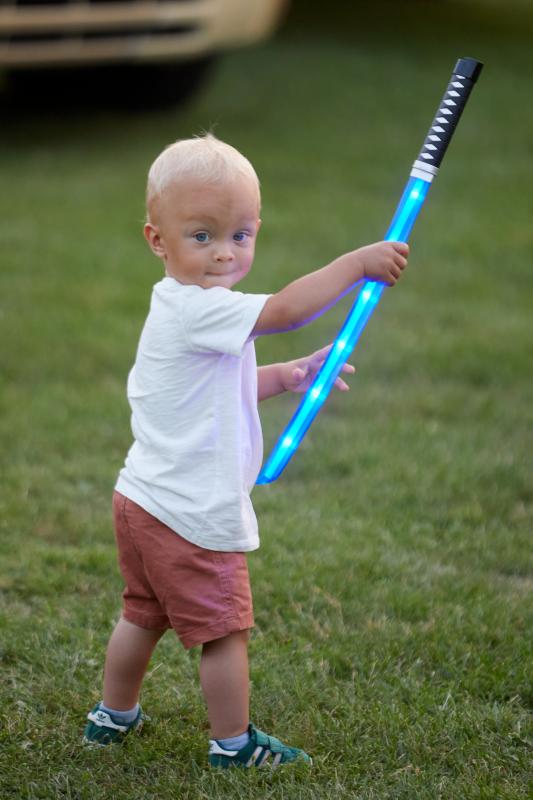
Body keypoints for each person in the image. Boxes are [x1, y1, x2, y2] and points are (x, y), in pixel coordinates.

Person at [82, 134, 409, 767]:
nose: (224, 252)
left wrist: (287, 376)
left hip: (142, 501)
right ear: (158, 239)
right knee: (225, 631)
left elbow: (215, 389)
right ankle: (233, 744)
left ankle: (112, 714)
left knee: (142, 614)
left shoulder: (180, 306)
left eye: (241, 234)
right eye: (202, 235)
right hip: (192, 514)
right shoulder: (203, 309)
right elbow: (286, 310)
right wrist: (357, 264)